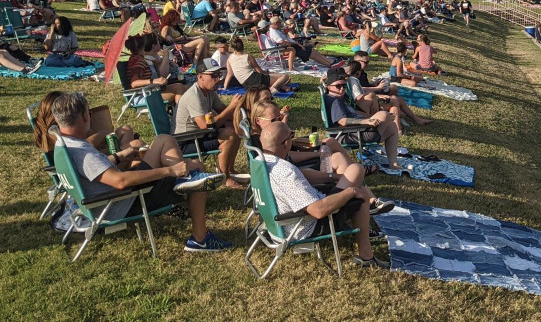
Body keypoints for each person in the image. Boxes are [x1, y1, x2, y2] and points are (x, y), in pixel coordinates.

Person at [49, 91, 230, 252]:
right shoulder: (83, 152)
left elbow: (93, 172)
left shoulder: (63, 143)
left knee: (163, 140)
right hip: (122, 202)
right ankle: (200, 238)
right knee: (196, 166)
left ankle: (184, 179)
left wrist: (119, 157)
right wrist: (169, 170)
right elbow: (120, 181)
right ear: (84, 117)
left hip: (105, 200)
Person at [259, 122, 387, 268]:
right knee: (360, 195)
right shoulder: (285, 171)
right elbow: (318, 211)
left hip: (277, 225)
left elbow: (301, 177)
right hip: (303, 228)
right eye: (292, 136)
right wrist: (352, 191)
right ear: (287, 143)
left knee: (353, 173)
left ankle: (365, 206)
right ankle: (366, 257)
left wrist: (334, 177)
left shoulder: (260, 162)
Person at [172, 58, 246, 189]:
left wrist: (242, 112)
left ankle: (230, 169)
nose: (217, 79)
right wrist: (231, 108)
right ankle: (225, 177)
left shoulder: (209, 92)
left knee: (233, 127)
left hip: (199, 135)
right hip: (186, 141)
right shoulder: (193, 96)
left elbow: (223, 112)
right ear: (200, 77)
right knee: (229, 135)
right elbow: (205, 126)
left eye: (219, 75)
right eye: (213, 76)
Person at [322, 72, 402, 169]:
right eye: (338, 86)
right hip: (351, 133)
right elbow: (342, 121)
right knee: (384, 114)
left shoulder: (340, 97)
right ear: (329, 87)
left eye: (343, 85)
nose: (342, 88)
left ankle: (393, 164)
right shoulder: (334, 101)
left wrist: (370, 117)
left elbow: (354, 112)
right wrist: (366, 121)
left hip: (360, 130)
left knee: (392, 126)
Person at [225, 36, 290, 92]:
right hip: (255, 79)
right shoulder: (248, 57)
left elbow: (229, 73)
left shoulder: (230, 57)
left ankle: (284, 87)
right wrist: (269, 73)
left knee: (276, 80)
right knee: (285, 76)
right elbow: (259, 71)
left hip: (245, 84)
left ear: (233, 48)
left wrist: (225, 87)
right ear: (243, 46)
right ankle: (272, 89)